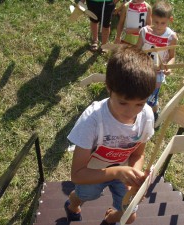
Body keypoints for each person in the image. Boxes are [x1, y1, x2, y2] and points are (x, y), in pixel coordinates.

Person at [65, 45, 156, 225]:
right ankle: (72, 204)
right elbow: (77, 175)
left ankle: (110, 218)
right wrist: (117, 171)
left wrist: (135, 177)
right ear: (108, 87)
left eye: (140, 104)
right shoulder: (92, 120)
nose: (131, 112)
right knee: (84, 194)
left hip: (123, 173)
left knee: (129, 216)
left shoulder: (146, 115)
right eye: (123, 103)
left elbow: (138, 154)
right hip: (92, 173)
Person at [136, 0, 178, 121]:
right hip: (142, 68)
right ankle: (140, 113)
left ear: (170, 20)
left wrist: (168, 67)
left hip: (157, 73)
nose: (159, 26)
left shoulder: (171, 37)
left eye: (163, 23)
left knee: (152, 98)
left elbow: (172, 56)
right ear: (151, 17)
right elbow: (137, 49)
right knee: (140, 92)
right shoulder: (144, 31)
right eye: (156, 22)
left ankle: (153, 112)